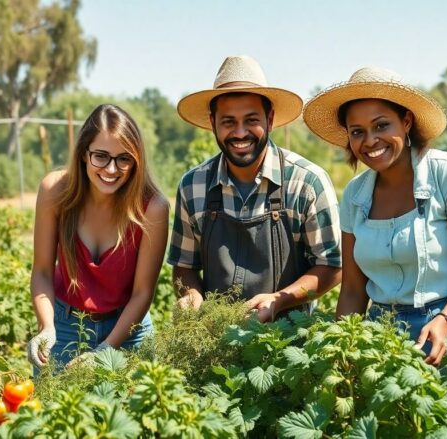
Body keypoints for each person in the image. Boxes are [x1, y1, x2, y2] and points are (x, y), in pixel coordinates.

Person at [303, 67, 447, 366]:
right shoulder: (355, 196)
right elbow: (354, 290)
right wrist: (340, 348)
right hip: (384, 334)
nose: (370, 141)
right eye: (357, 132)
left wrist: (446, 319)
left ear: (406, 121)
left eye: (381, 126)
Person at [168, 55, 341, 322]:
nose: (240, 133)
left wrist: (280, 300)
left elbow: (331, 267)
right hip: (216, 341)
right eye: (228, 122)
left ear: (269, 119)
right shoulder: (193, 186)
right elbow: (184, 266)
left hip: (290, 341)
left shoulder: (306, 183)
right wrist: (191, 296)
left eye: (251, 120)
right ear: (213, 122)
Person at [27, 104, 169, 369]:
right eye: (101, 156)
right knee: (53, 409)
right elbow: (43, 272)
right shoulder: (55, 191)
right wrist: (47, 327)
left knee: (136, 409)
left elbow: (142, 293)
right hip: (65, 326)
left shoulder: (152, 207)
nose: (112, 169)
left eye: (124, 158)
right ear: (83, 154)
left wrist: (104, 351)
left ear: (136, 160)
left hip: (127, 331)